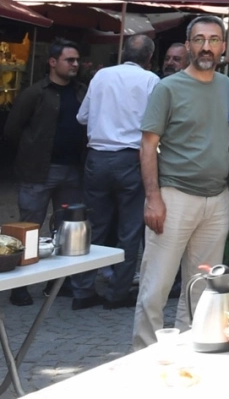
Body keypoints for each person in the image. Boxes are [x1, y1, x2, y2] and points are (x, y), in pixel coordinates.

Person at [133, 16, 229, 347]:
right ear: (188, 45)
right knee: (155, 288)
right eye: (199, 39)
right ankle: (145, 355)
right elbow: (148, 145)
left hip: (217, 200)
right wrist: (153, 198)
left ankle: (192, 354)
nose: (206, 46)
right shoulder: (168, 88)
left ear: (223, 46)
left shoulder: (228, 87)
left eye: (214, 40)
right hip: (173, 197)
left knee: (202, 288)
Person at [2, 39, 96, 307]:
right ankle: (19, 286)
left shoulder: (82, 92)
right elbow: (12, 129)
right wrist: (29, 153)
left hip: (73, 170)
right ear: (53, 62)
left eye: (77, 60)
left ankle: (57, 283)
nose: (75, 64)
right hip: (38, 171)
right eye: (70, 60)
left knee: (66, 229)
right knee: (29, 227)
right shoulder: (35, 93)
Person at [78, 33, 158, 309]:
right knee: (130, 229)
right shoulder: (151, 80)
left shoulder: (101, 76)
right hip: (130, 159)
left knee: (93, 226)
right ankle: (118, 292)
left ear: (123, 53)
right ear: (150, 57)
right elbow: (156, 124)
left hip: (97, 158)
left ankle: (83, 290)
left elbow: (82, 117)